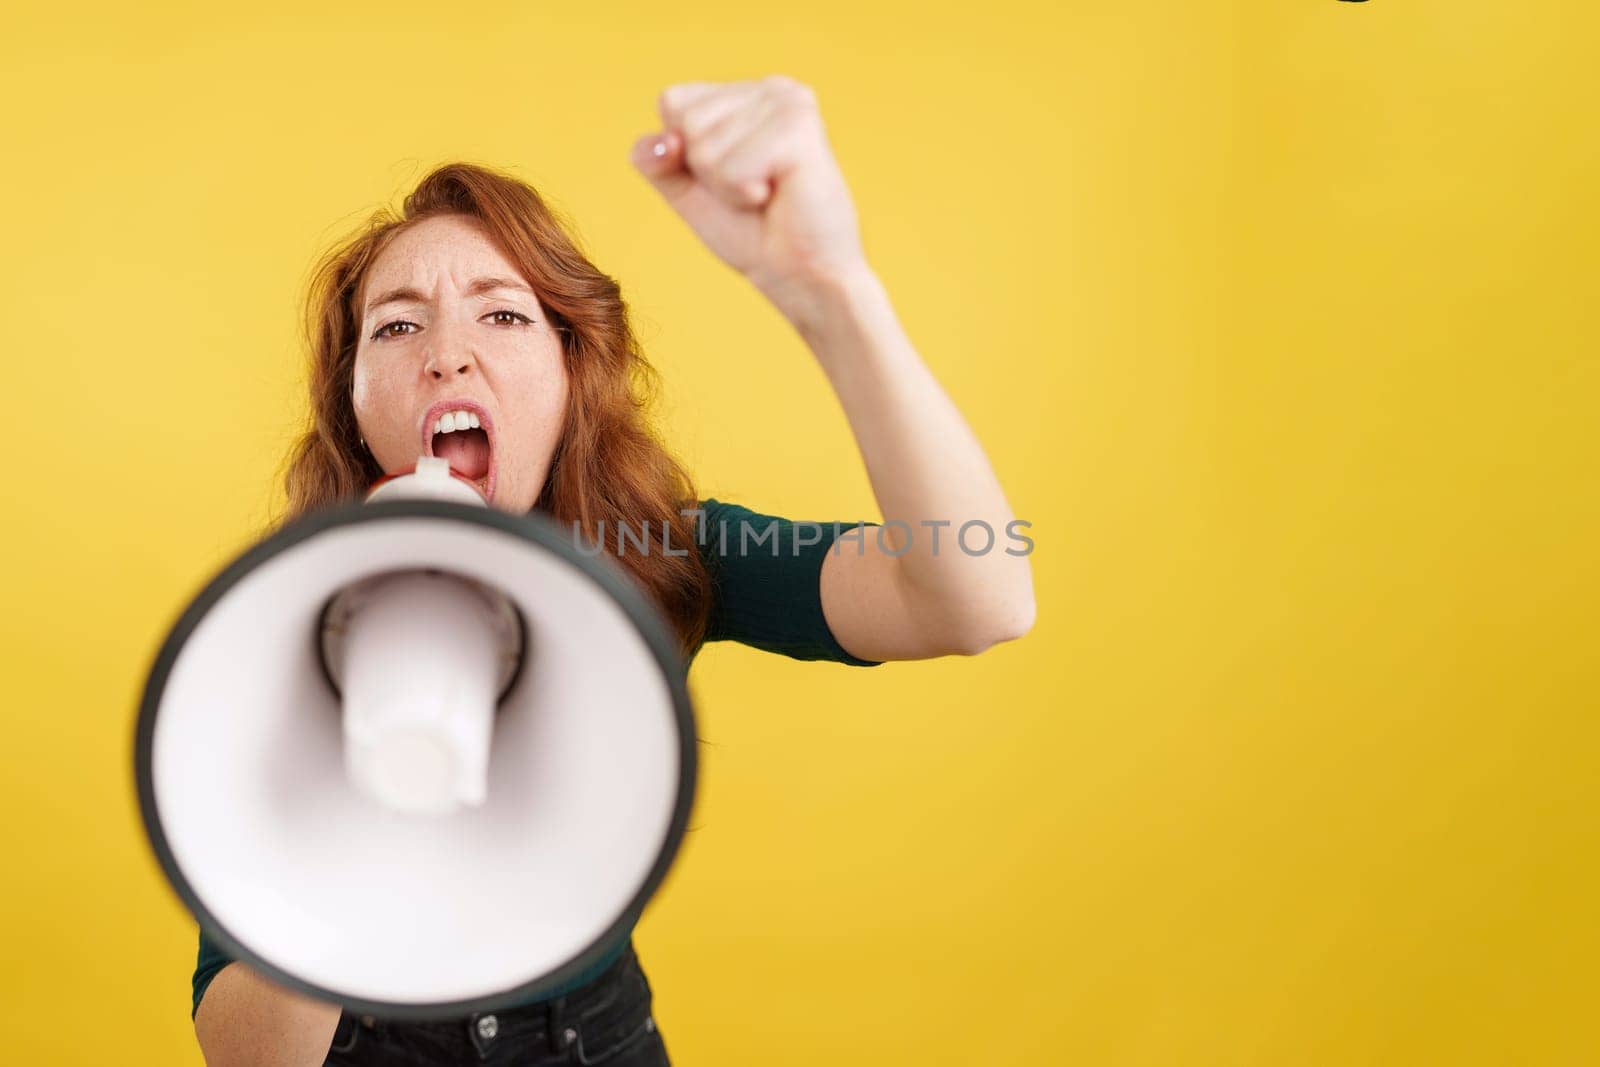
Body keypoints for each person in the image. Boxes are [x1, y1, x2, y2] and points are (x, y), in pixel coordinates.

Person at [191, 75, 1035, 1066]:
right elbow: (252, 1054)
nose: (448, 356)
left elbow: (980, 591)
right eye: (397, 324)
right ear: (352, 399)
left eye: (502, 316)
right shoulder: (267, 625)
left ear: (568, 364)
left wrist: (832, 292)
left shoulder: (657, 553)